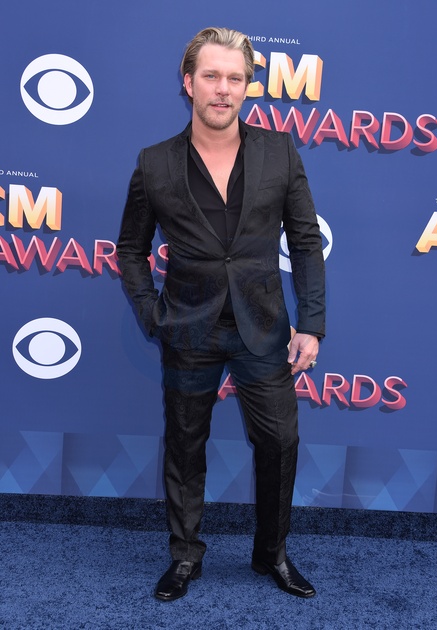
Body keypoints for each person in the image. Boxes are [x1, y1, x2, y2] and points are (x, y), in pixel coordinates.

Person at [117, 26, 325, 602]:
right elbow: (130, 249)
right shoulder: (155, 163)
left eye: (236, 78)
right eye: (211, 76)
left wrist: (311, 323)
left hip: (263, 327)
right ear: (189, 83)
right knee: (185, 446)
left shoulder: (279, 151)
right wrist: (151, 314)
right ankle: (185, 556)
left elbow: (305, 242)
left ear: (249, 87)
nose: (223, 89)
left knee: (280, 443)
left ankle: (271, 554)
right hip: (188, 328)